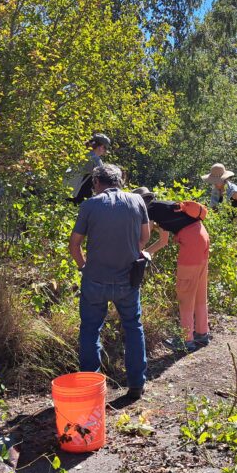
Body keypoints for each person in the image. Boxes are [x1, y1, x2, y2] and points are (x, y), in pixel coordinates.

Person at [68, 164, 150, 400]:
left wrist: (83, 266)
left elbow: (75, 244)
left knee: (90, 330)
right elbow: (144, 238)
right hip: (128, 279)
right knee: (133, 328)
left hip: (95, 279)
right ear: (120, 182)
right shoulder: (137, 201)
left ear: (96, 183)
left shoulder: (90, 205)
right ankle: (136, 385)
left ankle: (90, 388)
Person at [133, 187, 211, 352]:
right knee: (198, 290)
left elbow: (146, 239)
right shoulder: (162, 207)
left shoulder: (150, 212)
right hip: (202, 236)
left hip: (191, 244)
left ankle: (185, 340)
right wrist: (145, 253)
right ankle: (202, 334)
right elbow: (163, 242)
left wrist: (136, 252)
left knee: (185, 292)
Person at [67, 133, 111, 205]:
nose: (104, 151)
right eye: (105, 148)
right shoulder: (95, 159)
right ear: (101, 147)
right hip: (79, 196)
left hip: (66, 192)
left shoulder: (79, 154)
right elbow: (104, 178)